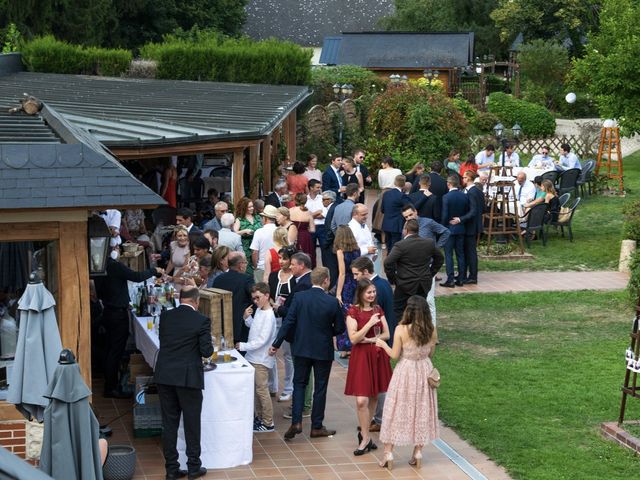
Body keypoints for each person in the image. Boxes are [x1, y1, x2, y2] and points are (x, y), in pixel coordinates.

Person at [270, 267, 345, 441]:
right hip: (322, 349)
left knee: (299, 384)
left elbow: (288, 322)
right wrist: (328, 332)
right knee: (320, 388)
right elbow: (340, 328)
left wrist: (276, 344)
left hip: (301, 347)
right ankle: (317, 426)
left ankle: (296, 421)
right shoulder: (332, 302)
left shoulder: (299, 297)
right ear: (326, 280)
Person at [154, 286, 213, 480]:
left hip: (165, 375)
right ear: (196, 301)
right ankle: (193, 466)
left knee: (169, 423)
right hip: (188, 378)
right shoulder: (201, 320)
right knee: (191, 423)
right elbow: (206, 352)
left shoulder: (165, 317)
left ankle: (171, 468)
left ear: (180, 299)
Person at [375, 295, 439, 471]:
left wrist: (382, 344)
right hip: (425, 370)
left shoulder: (401, 329)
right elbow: (431, 353)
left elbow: (395, 355)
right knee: (422, 410)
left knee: (395, 409)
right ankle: (418, 452)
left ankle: (388, 453)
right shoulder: (431, 329)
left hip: (405, 371)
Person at [94, 257, 163, 398]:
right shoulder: (114, 266)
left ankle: (111, 382)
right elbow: (136, 277)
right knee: (115, 351)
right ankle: (111, 388)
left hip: (108, 310)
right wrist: (154, 270)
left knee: (110, 349)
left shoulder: (98, 265)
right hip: (117, 314)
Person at [344, 279, 392, 456]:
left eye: (373, 292)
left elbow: (387, 333)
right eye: (369, 292)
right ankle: (365, 436)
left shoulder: (378, 310)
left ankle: (365, 436)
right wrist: (370, 324)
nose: (372, 295)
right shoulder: (353, 312)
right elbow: (354, 338)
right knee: (361, 400)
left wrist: (372, 340)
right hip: (361, 357)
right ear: (361, 293)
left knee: (374, 396)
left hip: (377, 355)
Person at [350, 256, 395, 433]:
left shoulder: (376, 290)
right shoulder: (383, 284)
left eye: (356, 274)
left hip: (378, 341)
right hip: (380, 339)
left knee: (379, 383)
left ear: (366, 272)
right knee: (377, 383)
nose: (354, 278)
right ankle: (373, 419)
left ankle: (378, 419)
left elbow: (376, 318)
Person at [236, 283, 278, 433]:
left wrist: (243, 346)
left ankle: (268, 423)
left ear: (267, 296)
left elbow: (262, 340)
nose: (255, 301)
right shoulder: (260, 310)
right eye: (253, 298)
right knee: (257, 391)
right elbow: (255, 328)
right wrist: (247, 319)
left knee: (262, 391)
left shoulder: (269, 316)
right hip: (254, 357)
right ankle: (260, 418)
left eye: (258, 297)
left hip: (261, 359)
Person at [384, 219, 444, 321]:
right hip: (423, 284)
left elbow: (388, 262)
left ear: (406, 230)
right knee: (419, 312)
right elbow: (440, 258)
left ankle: (403, 334)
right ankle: (419, 333)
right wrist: (430, 273)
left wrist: (393, 279)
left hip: (405, 284)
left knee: (399, 312)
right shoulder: (429, 243)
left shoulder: (400, 245)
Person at [267, 246, 296, 403]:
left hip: (287, 319)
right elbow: (270, 294)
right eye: (280, 258)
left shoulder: (295, 278)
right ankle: (272, 385)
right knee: (270, 350)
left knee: (287, 354)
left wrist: (282, 308)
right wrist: (273, 304)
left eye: (284, 258)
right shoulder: (273, 276)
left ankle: (288, 387)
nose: (281, 261)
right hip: (273, 316)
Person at [212, 252, 254, 344]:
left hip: (220, 325)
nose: (246, 265)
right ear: (240, 265)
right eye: (245, 262)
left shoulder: (218, 279)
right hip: (239, 327)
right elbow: (254, 298)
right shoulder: (247, 279)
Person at [334, 225, 361, 357]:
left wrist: (338, 293)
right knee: (355, 313)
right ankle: (354, 344)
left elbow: (342, 273)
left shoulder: (340, 251)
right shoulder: (357, 250)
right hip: (357, 282)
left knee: (345, 314)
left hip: (347, 285)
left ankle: (345, 347)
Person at [441, 175, 469, 288]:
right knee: (460, 254)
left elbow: (445, 214)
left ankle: (450, 279)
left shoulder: (446, 197)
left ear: (449, 184)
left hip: (449, 228)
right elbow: (467, 211)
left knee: (448, 255)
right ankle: (461, 279)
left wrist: (442, 227)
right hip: (461, 228)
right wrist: (460, 220)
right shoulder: (464, 196)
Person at [461, 171, 485, 285]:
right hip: (474, 224)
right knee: (469, 251)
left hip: (470, 226)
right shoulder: (478, 191)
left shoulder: (471, 192)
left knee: (470, 252)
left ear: (469, 178)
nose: (463, 179)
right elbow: (483, 208)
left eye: (464, 177)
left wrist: (461, 219)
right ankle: (466, 274)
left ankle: (472, 276)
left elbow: (473, 211)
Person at [233, 197, 262, 277]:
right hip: (246, 248)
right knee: (248, 271)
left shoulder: (258, 217)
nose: (252, 208)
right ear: (244, 207)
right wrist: (244, 231)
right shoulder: (240, 220)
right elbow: (234, 233)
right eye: (249, 207)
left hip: (258, 248)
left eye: (252, 206)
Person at [381, 175, 411, 252]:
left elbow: (382, 210)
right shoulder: (402, 196)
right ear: (404, 184)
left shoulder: (386, 194)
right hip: (396, 225)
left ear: (394, 182)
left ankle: (388, 261)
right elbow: (410, 209)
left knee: (389, 248)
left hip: (386, 224)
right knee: (395, 249)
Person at [250, 204, 278, 282]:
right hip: (277, 266)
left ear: (265, 218)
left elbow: (255, 252)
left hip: (262, 267)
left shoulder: (259, 232)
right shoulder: (280, 231)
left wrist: (256, 266)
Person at [290, 193, 316, 266]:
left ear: (295, 200)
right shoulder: (308, 213)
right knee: (306, 258)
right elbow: (312, 230)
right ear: (305, 201)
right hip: (305, 237)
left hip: (292, 235)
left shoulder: (290, 211)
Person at [306, 179, 325, 262]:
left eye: (320, 187)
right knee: (311, 250)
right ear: (311, 188)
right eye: (317, 187)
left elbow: (323, 215)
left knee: (324, 249)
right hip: (310, 227)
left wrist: (311, 215)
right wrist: (317, 213)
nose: (319, 189)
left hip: (322, 226)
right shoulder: (305, 199)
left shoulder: (322, 198)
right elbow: (305, 216)